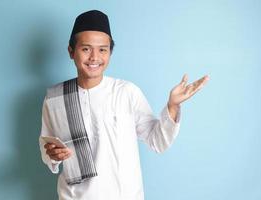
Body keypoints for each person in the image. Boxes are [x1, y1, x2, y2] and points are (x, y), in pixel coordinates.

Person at [39, 10, 209, 200]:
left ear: (110, 52)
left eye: (102, 49)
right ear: (71, 51)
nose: (94, 57)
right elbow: (48, 153)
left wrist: (172, 106)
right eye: (86, 49)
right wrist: (53, 155)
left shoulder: (126, 92)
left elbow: (158, 140)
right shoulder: (55, 98)